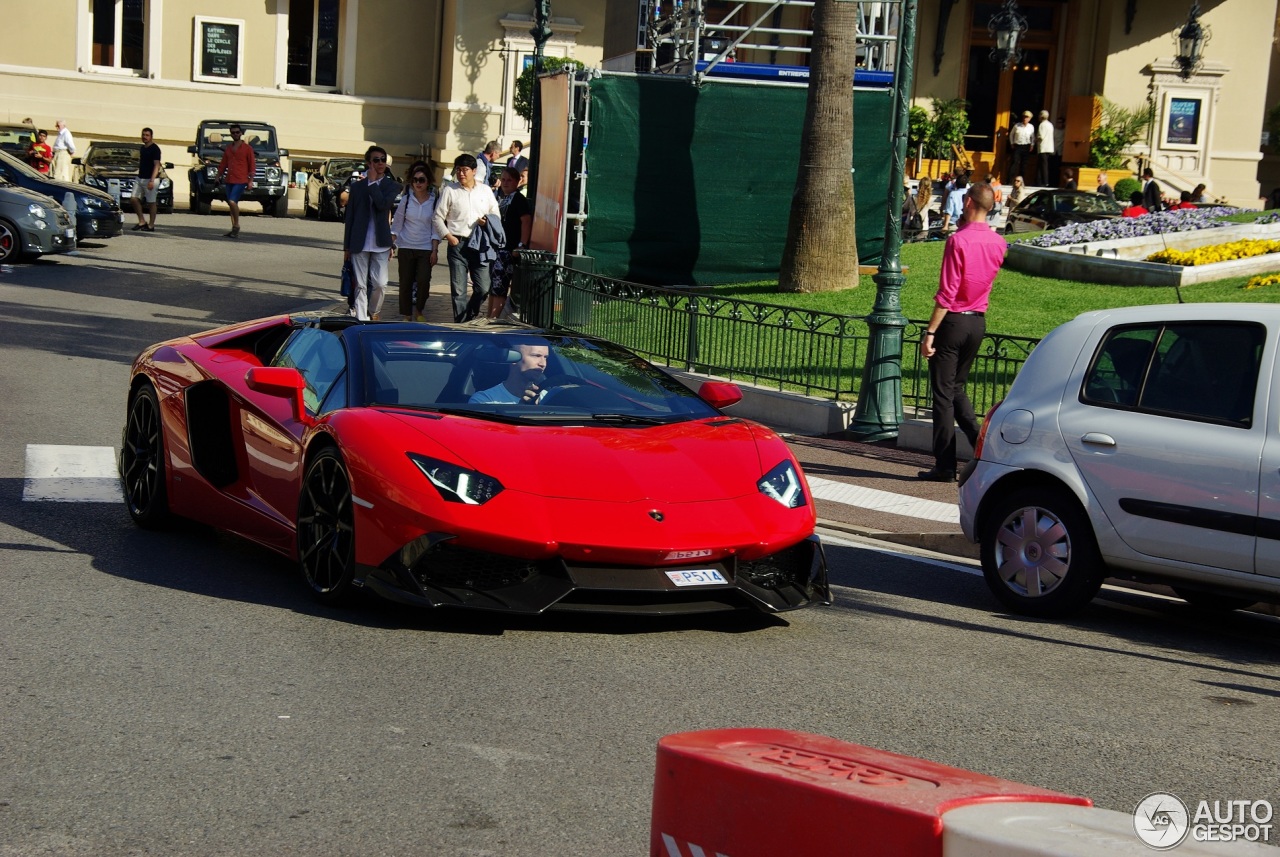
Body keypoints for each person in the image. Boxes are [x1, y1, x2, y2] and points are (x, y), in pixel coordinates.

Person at [918, 182, 1006, 482]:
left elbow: (948, 291)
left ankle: (944, 465)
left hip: (954, 320)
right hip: (977, 321)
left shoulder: (958, 241)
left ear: (967, 202)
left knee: (943, 395)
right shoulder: (998, 242)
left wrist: (930, 331)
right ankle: (988, 447)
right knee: (956, 389)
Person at [433, 153, 502, 322]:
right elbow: (437, 217)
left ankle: (470, 314)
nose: (461, 174)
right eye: (458, 170)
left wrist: (486, 222)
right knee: (459, 290)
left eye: (465, 170)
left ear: (474, 171)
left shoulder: (485, 191)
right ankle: (461, 325)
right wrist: (449, 236)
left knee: (483, 287)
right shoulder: (450, 190)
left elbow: (495, 214)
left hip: (480, 244)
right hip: (457, 243)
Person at [342, 145, 400, 321]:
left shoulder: (392, 186)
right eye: (376, 160)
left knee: (380, 284)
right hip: (359, 241)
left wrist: (373, 183)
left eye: (383, 160)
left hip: (381, 241)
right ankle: (361, 320)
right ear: (368, 163)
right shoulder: (358, 187)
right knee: (359, 284)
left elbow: (383, 205)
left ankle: (373, 311)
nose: (381, 163)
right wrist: (346, 247)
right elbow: (350, 217)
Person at [390, 160, 440, 322]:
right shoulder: (406, 200)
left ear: (428, 182)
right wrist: (392, 243)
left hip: (425, 247)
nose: (418, 183)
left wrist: (434, 250)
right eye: (415, 180)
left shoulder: (433, 202)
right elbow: (397, 224)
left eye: (422, 180)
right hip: (406, 245)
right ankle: (406, 314)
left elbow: (435, 228)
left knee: (423, 281)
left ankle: (419, 310)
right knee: (405, 282)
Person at [488, 165, 534, 318]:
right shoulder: (501, 198)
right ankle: (488, 318)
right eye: (503, 180)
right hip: (497, 248)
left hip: (509, 249)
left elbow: (526, 221)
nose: (505, 183)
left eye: (509, 180)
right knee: (494, 285)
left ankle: (494, 319)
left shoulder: (519, 199)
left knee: (501, 286)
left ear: (517, 181)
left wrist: (521, 245)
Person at [468, 342, 549, 404]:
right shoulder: (485, 400)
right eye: (536, 356)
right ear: (513, 358)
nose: (543, 364)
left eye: (545, 357)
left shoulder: (547, 398)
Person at [215, 123, 256, 239]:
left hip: (241, 179)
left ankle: (237, 225)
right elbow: (223, 164)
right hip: (230, 179)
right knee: (231, 203)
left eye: (237, 132)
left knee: (232, 201)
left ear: (241, 133)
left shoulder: (247, 149)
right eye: (233, 132)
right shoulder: (228, 148)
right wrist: (218, 176)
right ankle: (233, 229)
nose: (235, 134)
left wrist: (250, 180)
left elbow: (252, 165)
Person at [131, 127, 162, 232]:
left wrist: (152, 180)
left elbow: (156, 165)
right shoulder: (142, 148)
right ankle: (142, 221)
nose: (144, 137)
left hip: (150, 179)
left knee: (151, 202)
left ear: (151, 137)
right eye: (143, 135)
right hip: (140, 178)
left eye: (147, 135)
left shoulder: (155, 149)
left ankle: (151, 225)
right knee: (133, 198)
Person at [1007, 111, 1034, 183]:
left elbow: (1032, 137)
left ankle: (1020, 181)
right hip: (1018, 146)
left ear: (1030, 119)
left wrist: (1032, 145)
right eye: (1024, 117)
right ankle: (1009, 181)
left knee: (1024, 165)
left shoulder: (1031, 127)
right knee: (1014, 163)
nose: (1025, 119)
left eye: (1027, 117)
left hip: (1026, 146)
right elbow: (1011, 135)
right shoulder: (1017, 126)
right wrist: (1012, 143)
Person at [1035, 109, 1054, 186]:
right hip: (1049, 147)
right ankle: (1038, 181)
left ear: (1041, 116)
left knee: (1043, 165)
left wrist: (1035, 139)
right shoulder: (1050, 124)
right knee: (1041, 165)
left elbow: (1041, 136)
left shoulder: (1042, 125)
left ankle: (1045, 182)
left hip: (1043, 148)